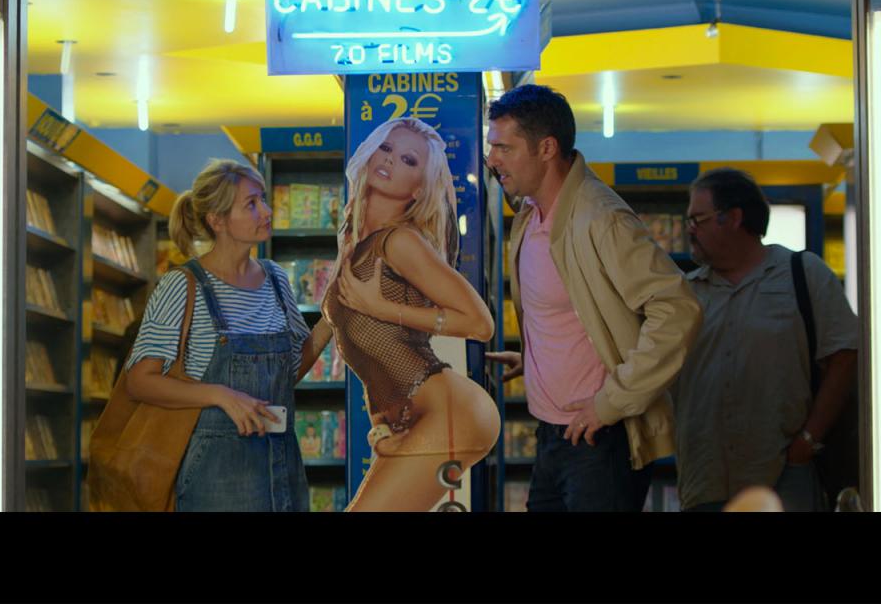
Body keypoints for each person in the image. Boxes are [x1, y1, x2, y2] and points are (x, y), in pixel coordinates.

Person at [484, 84, 703, 512]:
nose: (492, 160)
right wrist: (535, 356)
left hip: (600, 439)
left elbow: (679, 308)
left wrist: (611, 402)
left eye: (504, 148)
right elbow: (576, 311)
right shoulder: (530, 214)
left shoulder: (602, 219)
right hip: (553, 433)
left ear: (547, 148)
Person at [314, 117, 499, 512]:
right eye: (385, 148)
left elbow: (480, 323)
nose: (390, 159)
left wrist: (382, 308)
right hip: (411, 418)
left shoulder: (399, 242)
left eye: (408, 159)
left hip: (450, 411)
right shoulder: (356, 243)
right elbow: (369, 349)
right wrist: (381, 423)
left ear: (419, 189)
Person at [123, 159, 327, 511]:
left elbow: (288, 373)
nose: (267, 211)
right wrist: (220, 394)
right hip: (215, 477)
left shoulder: (277, 280)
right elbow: (139, 381)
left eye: (263, 199)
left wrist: (331, 321)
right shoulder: (182, 285)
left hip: (282, 467)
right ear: (217, 221)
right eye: (251, 204)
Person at [673, 167, 859, 512]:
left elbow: (845, 356)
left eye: (698, 219)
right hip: (704, 481)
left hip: (785, 478)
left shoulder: (803, 274)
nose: (690, 230)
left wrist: (808, 440)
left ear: (733, 218)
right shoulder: (684, 294)